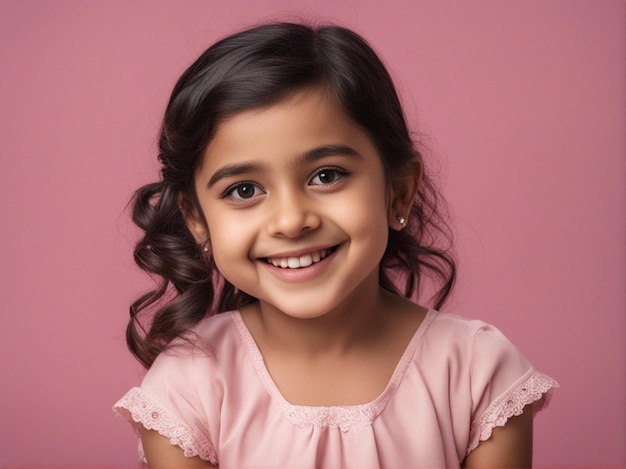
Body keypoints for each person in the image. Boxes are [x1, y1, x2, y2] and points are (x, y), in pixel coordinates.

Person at [113, 22, 558, 468]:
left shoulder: (478, 371)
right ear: (197, 220)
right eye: (245, 190)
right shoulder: (189, 384)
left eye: (327, 176)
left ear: (398, 191)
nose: (291, 222)